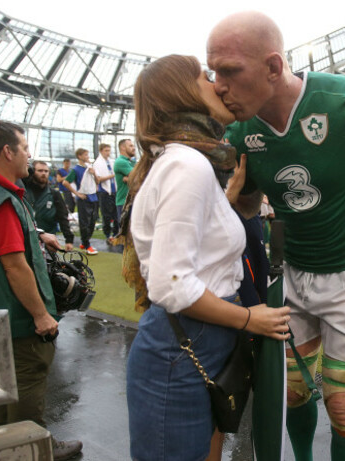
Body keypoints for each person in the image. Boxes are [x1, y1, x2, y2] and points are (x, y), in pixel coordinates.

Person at [208, 12, 345, 461]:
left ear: (273, 67)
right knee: (293, 393)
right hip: (290, 278)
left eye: (229, 71)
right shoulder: (241, 131)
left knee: (344, 406)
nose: (218, 85)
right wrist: (234, 200)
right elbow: (250, 204)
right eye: (213, 71)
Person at [123, 55, 291, 461]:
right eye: (204, 77)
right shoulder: (188, 165)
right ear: (183, 94)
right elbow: (172, 283)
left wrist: (224, 204)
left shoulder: (187, 163)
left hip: (193, 340)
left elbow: (198, 252)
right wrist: (251, 318)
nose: (217, 84)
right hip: (182, 345)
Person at [0, 120, 83, 461]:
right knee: (26, 381)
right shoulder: (3, 201)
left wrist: (38, 232)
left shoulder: (8, 194)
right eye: (26, 150)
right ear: (7, 152)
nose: (30, 158)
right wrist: (41, 314)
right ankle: (31, 446)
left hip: (4, 316)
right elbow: (14, 265)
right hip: (17, 320)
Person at [23, 160, 74, 251]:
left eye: (46, 171)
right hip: (26, 239)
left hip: (48, 241)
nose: (43, 173)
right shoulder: (24, 190)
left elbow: (62, 217)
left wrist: (69, 239)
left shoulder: (54, 194)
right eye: (40, 171)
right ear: (33, 171)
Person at [61, 148, 99, 255]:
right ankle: (87, 245)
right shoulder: (76, 170)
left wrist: (94, 173)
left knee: (92, 222)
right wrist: (77, 193)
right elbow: (65, 182)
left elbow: (98, 181)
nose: (87, 156)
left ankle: (84, 242)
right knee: (84, 223)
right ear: (80, 156)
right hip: (84, 199)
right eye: (85, 155)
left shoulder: (90, 168)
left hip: (94, 197)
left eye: (88, 154)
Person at [92, 143, 118, 244]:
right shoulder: (97, 163)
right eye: (106, 151)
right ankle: (108, 235)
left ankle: (116, 234)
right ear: (101, 151)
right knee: (106, 215)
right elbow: (98, 179)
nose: (108, 153)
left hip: (114, 191)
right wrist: (111, 176)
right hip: (104, 192)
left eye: (109, 150)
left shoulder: (111, 162)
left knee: (116, 215)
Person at [113, 138, 136, 221]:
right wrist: (132, 178)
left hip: (133, 201)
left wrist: (129, 178)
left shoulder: (131, 162)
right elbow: (138, 176)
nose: (134, 148)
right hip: (124, 202)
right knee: (125, 232)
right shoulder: (120, 162)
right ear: (122, 148)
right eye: (130, 146)